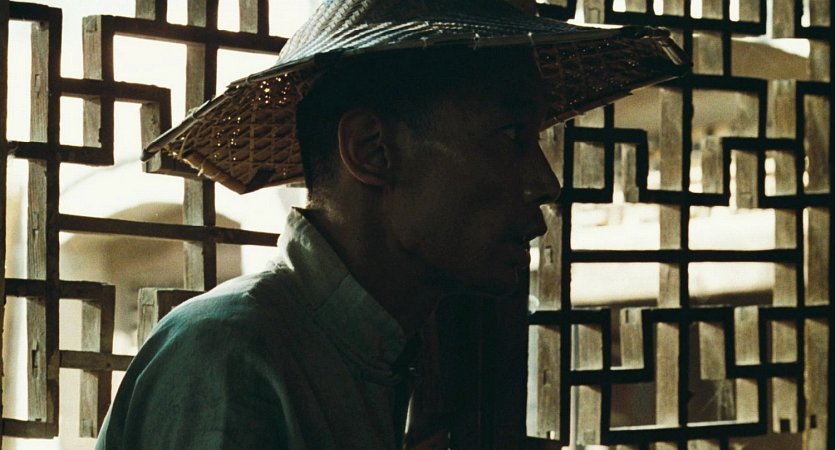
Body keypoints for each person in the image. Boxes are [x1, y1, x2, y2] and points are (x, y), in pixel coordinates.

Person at [96, 0, 685, 449]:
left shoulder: (404, 353)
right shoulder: (229, 356)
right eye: (509, 136)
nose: (544, 182)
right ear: (372, 150)